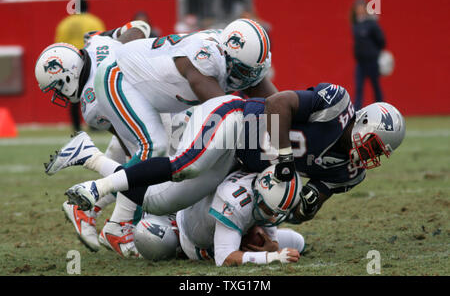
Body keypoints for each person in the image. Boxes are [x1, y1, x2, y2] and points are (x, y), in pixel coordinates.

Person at [39, 18, 277, 257]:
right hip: (121, 80)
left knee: (153, 154)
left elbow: (266, 96)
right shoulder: (93, 89)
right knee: (154, 150)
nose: (248, 79)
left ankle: (108, 206)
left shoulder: (228, 49)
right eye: (245, 72)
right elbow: (138, 26)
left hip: (151, 89)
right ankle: (113, 218)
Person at [59, 82, 406, 230]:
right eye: (373, 145)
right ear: (362, 122)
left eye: (380, 154)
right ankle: (99, 188)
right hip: (235, 120)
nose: (370, 156)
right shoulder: (337, 103)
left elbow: (294, 211)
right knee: (184, 167)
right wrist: (284, 159)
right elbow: (277, 103)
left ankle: (88, 155)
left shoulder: (348, 172)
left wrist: (304, 208)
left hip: (239, 163)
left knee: (160, 204)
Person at [36, 20, 153, 253]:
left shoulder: (93, 104)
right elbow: (140, 27)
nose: (58, 94)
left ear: (68, 76)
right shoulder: (95, 41)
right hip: (150, 101)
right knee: (147, 164)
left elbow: (132, 145)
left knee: (144, 164)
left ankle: (89, 166)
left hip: (150, 101)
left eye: (56, 87)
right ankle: (115, 225)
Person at [134, 166, 305, 266]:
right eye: (269, 210)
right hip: (196, 241)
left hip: (230, 222)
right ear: (259, 194)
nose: (273, 217)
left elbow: (270, 213)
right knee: (152, 239)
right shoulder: (233, 200)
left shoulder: (266, 194)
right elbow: (224, 258)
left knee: (297, 242)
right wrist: (272, 257)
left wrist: (273, 245)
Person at [54, 0, 105, 132]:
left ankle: (76, 127)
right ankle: (95, 126)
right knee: (94, 94)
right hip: (89, 63)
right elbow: (101, 43)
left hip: (71, 64)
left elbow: (58, 46)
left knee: (73, 95)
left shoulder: (65, 23)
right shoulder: (94, 21)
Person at [351, 0, 386, 110]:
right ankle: (356, 113)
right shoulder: (355, 24)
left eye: (361, 8)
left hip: (372, 62)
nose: (359, 10)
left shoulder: (372, 24)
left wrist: (374, 53)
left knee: (376, 87)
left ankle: (382, 110)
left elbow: (381, 41)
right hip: (360, 63)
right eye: (357, 8)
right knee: (359, 89)